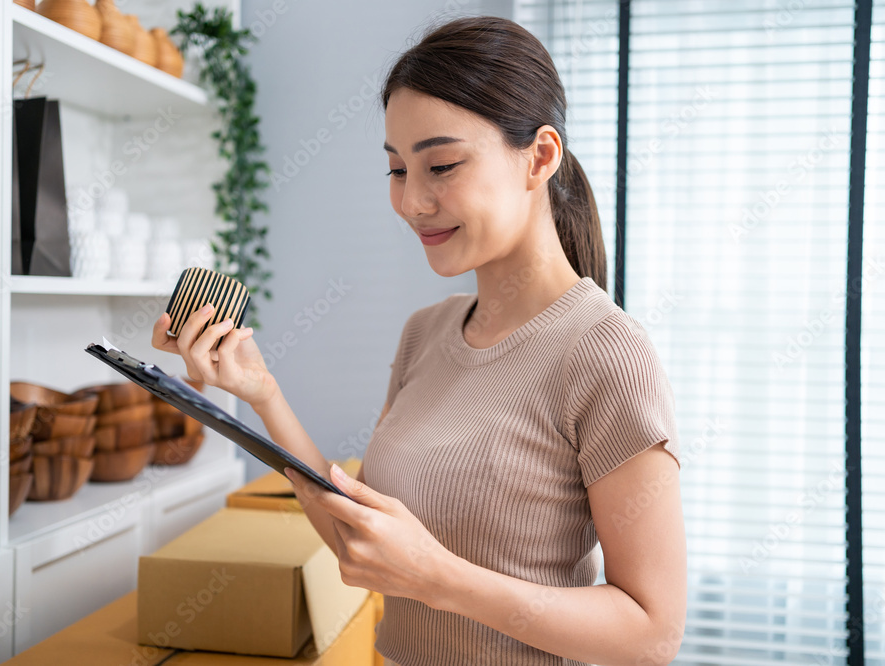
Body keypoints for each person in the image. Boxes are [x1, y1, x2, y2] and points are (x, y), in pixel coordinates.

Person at [151, 15, 685, 666]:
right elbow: (362, 545)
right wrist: (262, 393)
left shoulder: (605, 351)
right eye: (398, 170)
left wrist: (440, 578)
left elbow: (652, 633)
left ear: (540, 157)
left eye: (442, 165)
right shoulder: (424, 335)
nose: (412, 201)